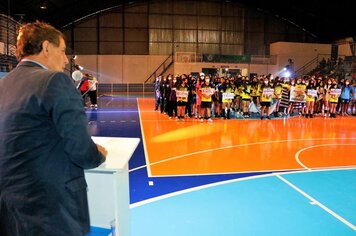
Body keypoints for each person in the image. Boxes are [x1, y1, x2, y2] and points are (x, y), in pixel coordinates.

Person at [0, 22, 107, 236]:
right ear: (46, 47)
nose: (66, 59)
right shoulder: (55, 80)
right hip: (50, 208)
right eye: (63, 51)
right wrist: (97, 154)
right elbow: (80, 149)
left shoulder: (5, 83)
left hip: (10, 207)